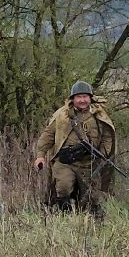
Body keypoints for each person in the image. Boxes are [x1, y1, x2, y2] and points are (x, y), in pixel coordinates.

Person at [32, 80, 116, 214]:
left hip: (89, 162)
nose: (82, 100)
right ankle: (65, 218)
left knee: (91, 197)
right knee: (63, 188)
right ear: (73, 98)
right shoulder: (62, 115)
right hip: (65, 161)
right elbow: (48, 135)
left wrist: (102, 155)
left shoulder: (99, 115)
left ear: (90, 98)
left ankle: (88, 223)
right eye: (79, 97)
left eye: (85, 96)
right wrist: (40, 156)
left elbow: (107, 137)